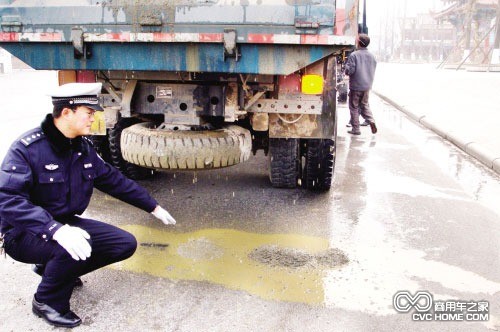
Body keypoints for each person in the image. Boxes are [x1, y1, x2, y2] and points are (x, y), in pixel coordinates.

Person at [0, 82, 176, 328]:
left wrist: (152, 206)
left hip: (63, 224)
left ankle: (54, 270)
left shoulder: (81, 148)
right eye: (89, 112)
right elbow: (8, 199)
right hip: (24, 233)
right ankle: (47, 301)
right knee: (70, 244)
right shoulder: (28, 149)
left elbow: (112, 180)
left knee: (123, 244)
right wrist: (55, 230)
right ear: (66, 113)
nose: (94, 118)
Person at [344, 33, 378, 135]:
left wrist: (346, 69)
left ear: (359, 42)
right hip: (367, 86)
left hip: (356, 86)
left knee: (354, 107)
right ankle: (371, 120)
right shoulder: (372, 56)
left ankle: (356, 129)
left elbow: (350, 71)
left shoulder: (354, 55)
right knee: (364, 105)